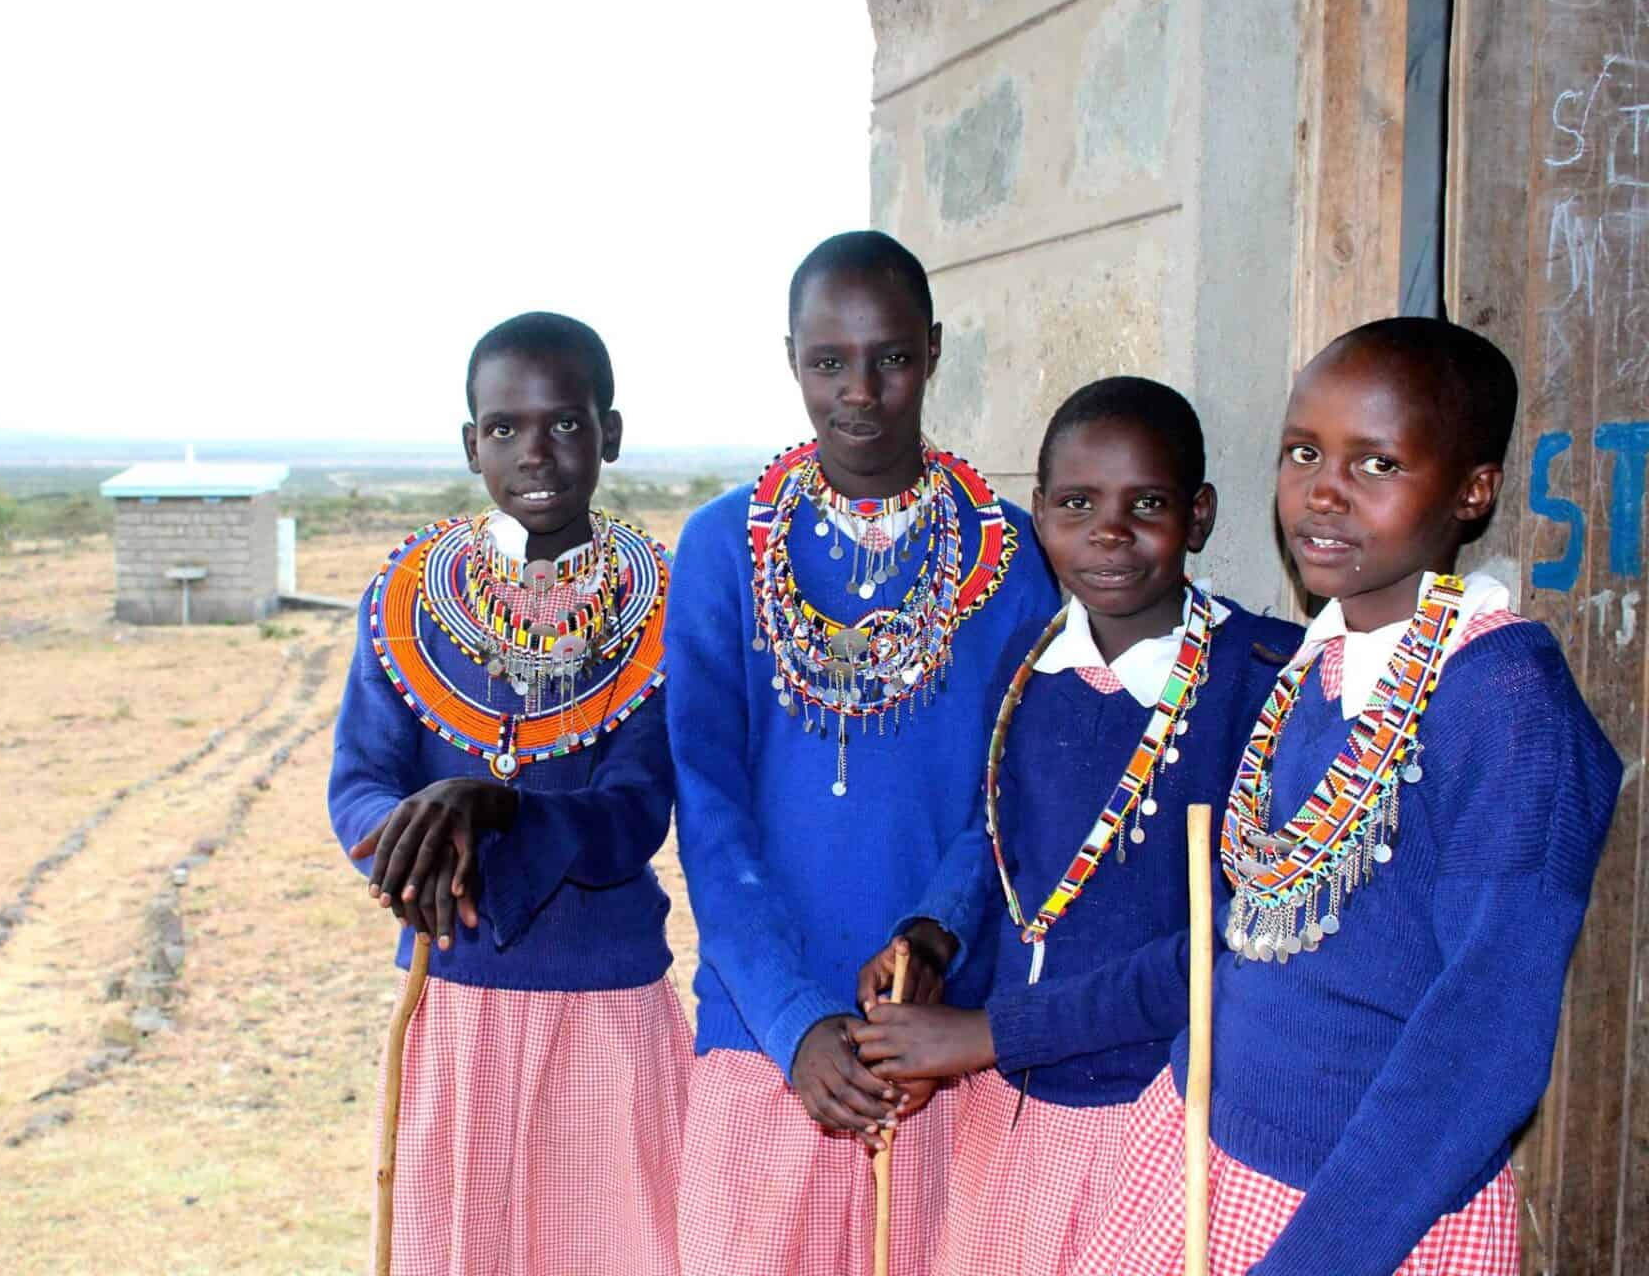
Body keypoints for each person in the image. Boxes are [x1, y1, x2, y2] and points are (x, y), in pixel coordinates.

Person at [1075, 318, 1622, 1275]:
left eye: (1377, 464)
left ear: (1473, 490)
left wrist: (1321, 1255)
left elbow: (1484, 1042)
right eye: (1303, 452)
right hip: (1206, 1148)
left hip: (1358, 1220)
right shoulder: (1319, 664)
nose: (1322, 491)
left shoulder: (1509, 712)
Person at [666, 230, 1058, 1276]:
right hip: (763, 1034)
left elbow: (1009, 792)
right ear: (789, 358)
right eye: (827, 361)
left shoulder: (1009, 557)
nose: (861, 391)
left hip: (939, 1040)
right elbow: (707, 806)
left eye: (889, 356)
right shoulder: (722, 548)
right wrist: (797, 1024)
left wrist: (938, 937)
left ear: (932, 351)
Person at [846, 376, 1301, 1275]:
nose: (1110, 533)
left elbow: (1234, 952)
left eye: (1150, 504)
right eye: (1079, 504)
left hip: (1166, 1116)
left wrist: (985, 1034)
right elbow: (997, 840)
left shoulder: (1263, 682)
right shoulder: (1029, 664)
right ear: (1039, 513)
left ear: (1199, 516)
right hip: (1016, 1118)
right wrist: (932, 941)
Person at [328, 311, 689, 1276]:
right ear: (470, 442)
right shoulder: (406, 598)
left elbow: (633, 814)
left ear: (609, 434)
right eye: (504, 428)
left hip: (608, 1002)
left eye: (566, 425)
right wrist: (409, 837)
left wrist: (499, 805)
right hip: (448, 995)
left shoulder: (659, 609)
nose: (536, 452)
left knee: (622, 1250)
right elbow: (360, 783)